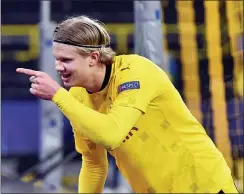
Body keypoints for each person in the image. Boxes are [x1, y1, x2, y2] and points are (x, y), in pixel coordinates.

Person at [16, 15, 238, 193]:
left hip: (203, 185)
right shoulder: (77, 96)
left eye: (66, 60)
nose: (58, 67)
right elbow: (94, 164)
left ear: (93, 58)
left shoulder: (134, 73)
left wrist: (57, 95)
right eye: (56, 59)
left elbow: (111, 134)